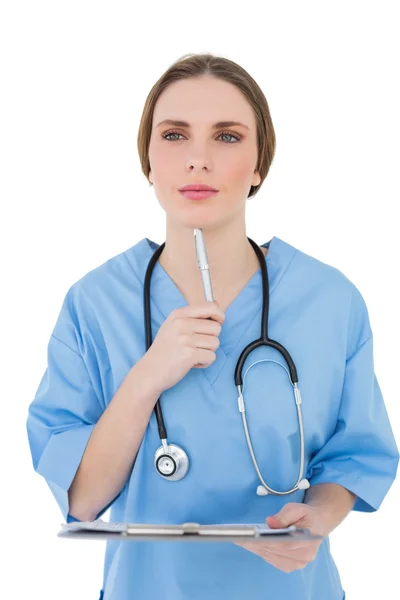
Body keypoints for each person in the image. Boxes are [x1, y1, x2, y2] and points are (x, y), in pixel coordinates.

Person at [26, 53, 399, 600]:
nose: (197, 160)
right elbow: (80, 500)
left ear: (258, 166)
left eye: (226, 137)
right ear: (148, 161)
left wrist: (315, 519)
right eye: (175, 135)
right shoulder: (94, 302)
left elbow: (355, 455)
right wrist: (149, 373)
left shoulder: (330, 300)